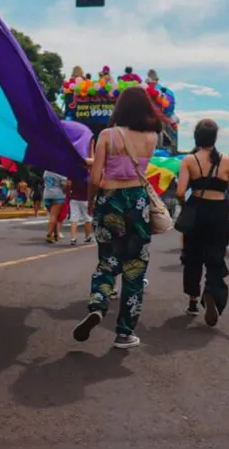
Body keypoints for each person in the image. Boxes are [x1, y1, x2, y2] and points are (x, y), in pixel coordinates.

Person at [73, 86, 164, 349]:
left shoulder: (107, 134)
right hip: (137, 201)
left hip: (109, 200)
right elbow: (134, 164)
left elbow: (96, 176)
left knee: (107, 261)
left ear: (120, 108)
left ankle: (99, 304)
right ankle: (124, 333)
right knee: (134, 268)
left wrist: (91, 200)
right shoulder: (151, 137)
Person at [176, 119, 229, 326]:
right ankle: (211, 293)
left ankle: (193, 301)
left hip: (196, 209)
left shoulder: (189, 159)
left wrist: (186, 206)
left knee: (192, 255)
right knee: (215, 255)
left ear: (196, 137)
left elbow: (179, 192)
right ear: (215, 138)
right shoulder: (228, 161)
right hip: (218, 211)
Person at [43, 170, 67, 243]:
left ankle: (56, 234)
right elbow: (64, 185)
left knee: (53, 216)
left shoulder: (46, 172)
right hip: (57, 195)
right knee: (53, 216)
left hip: (47, 194)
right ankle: (49, 235)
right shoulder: (61, 172)